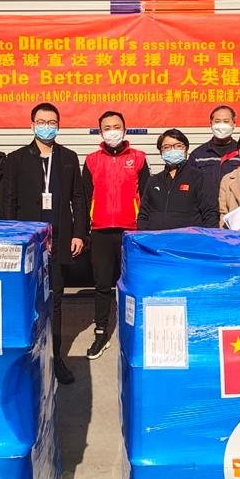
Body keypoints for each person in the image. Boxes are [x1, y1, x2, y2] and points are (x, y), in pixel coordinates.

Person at [5, 103, 85, 385]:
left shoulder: (68, 157)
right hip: (29, 243)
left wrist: (79, 233)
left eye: (52, 122)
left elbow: (79, 198)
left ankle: (55, 356)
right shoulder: (16, 159)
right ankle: (27, 358)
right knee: (27, 299)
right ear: (32, 125)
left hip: (60, 240)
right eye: (41, 122)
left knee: (57, 300)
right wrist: (13, 239)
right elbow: (9, 202)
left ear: (58, 126)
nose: (46, 127)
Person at [82, 110, 150, 360]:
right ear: (100, 132)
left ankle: (135, 332)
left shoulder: (139, 158)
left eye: (116, 126)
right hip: (100, 231)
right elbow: (83, 199)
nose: (112, 131)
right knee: (102, 285)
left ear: (125, 129)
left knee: (132, 283)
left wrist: (144, 230)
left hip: (130, 232)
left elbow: (147, 198)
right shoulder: (91, 160)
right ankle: (101, 332)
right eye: (107, 128)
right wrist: (84, 231)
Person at [138, 129, 218, 231]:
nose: (172, 150)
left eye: (178, 146)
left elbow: (210, 213)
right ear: (161, 152)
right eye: (166, 147)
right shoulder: (153, 181)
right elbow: (144, 214)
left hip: (188, 238)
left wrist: (208, 236)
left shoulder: (199, 177)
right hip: (157, 238)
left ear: (186, 149)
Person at [188, 105, 240, 191]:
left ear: (234, 124)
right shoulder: (198, 155)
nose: (221, 125)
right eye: (217, 121)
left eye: (226, 121)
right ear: (211, 124)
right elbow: (190, 184)